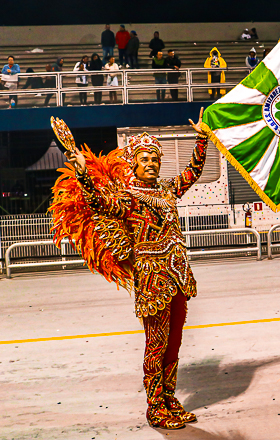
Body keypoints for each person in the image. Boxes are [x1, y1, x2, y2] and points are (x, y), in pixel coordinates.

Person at [53, 108, 210, 429]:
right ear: (135, 164)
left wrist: (202, 140)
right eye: (145, 159)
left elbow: (192, 174)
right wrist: (83, 174)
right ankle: (155, 408)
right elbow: (100, 204)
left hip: (178, 276)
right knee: (156, 343)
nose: (151, 163)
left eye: (155, 159)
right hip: (153, 283)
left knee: (175, 342)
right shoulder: (127, 197)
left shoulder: (166, 190)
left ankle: (170, 399)